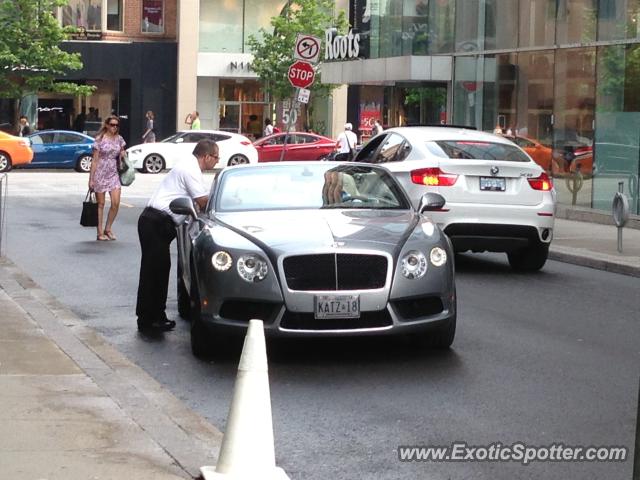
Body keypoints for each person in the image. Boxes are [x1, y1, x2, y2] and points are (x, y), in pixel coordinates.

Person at [135, 139, 219, 332]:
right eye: (216, 157)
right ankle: (149, 319)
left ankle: (153, 315)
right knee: (154, 272)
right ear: (206, 156)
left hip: (157, 222)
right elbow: (203, 201)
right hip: (156, 222)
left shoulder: (188, 166)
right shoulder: (190, 169)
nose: (216, 161)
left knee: (158, 270)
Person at [89, 115, 126, 241]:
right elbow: (94, 160)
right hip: (100, 171)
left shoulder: (119, 139)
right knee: (101, 204)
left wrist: (122, 154)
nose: (114, 127)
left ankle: (108, 228)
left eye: (116, 125)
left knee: (115, 203)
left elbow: (123, 154)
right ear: (106, 125)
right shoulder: (100, 139)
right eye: (112, 125)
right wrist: (91, 179)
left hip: (113, 172)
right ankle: (100, 232)